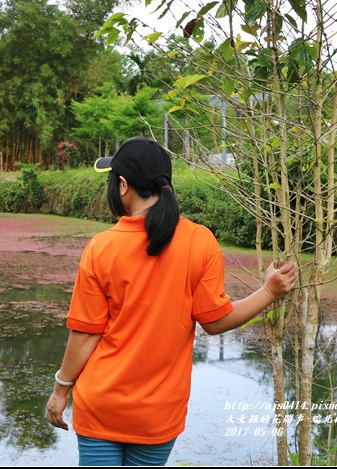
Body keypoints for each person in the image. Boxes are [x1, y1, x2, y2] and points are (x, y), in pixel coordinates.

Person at [45, 136, 298, 466]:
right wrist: (269, 292)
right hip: (159, 412)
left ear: (122, 185)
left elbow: (86, 333)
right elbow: (215, 320)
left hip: (101, 406)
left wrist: (60, 389)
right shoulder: (199, 241)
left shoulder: (101, 248)